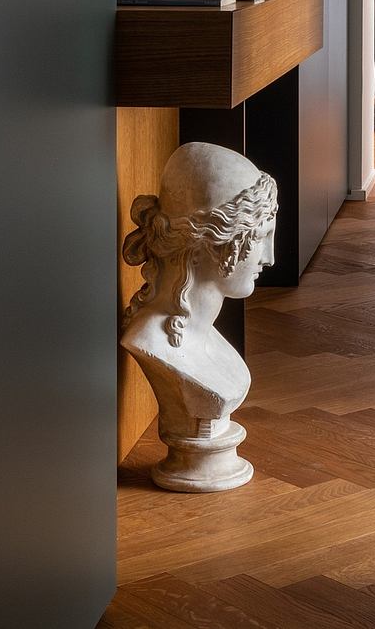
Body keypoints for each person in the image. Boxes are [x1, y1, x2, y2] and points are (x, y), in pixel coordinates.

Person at [120, 141, 277, 491]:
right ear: (212, 241)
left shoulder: (203, 336)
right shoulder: (148, 340)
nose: (270, 258)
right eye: (261, 237)